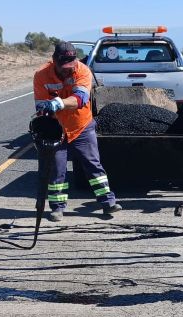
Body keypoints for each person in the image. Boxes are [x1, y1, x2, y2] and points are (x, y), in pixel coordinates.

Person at [33, 42, 122, 222]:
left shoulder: (83, 71)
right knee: (56, 169)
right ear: (54, 61)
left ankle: (108, 202)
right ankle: (57, 208)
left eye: (71, 65)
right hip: (56, 130)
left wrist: (59, 103)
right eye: (64, 66)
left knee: (93, 164)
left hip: (82, 126)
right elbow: (40, 107)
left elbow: (80, 98)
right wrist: (46, 111)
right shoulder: (41, 75)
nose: (69, 69)